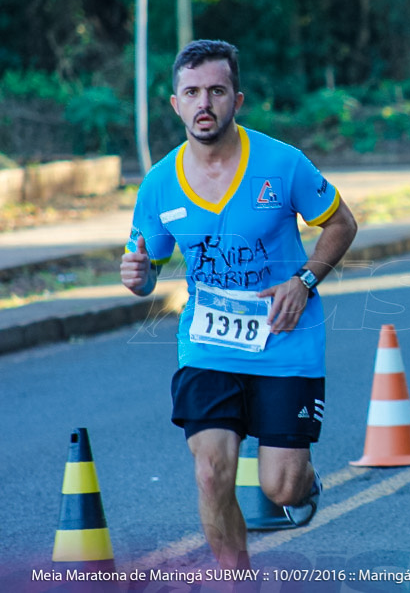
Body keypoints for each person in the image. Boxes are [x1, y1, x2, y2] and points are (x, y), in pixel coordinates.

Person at [120, 39, 358, 571]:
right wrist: (136, 277)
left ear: (237, 99)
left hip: (286, 338)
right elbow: (146, 266)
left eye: (216, 91)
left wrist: (303, 280)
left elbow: (342, 224)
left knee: (282, 488)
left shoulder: (282, 163)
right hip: (208, 344)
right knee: (211, 472)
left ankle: (302, 481)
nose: (204, 103)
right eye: (192, 92)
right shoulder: (159, 184)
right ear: (176, 103)